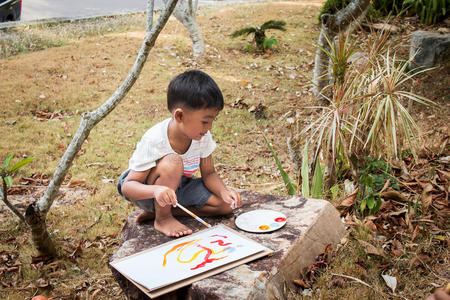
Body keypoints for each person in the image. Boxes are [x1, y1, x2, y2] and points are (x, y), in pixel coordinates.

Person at [117, 70, 242, 238]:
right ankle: (163, 218)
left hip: (180, 187)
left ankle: (165, 213)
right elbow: (128, 187)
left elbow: (209, 172)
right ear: (180, 115)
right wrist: (156, 190)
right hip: (149, 190)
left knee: (226, 206)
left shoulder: (202, 136)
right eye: (205, 121)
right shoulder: (155, 139)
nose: (209, 128)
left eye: (212, 121)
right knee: (173, 162)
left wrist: (223, 192)